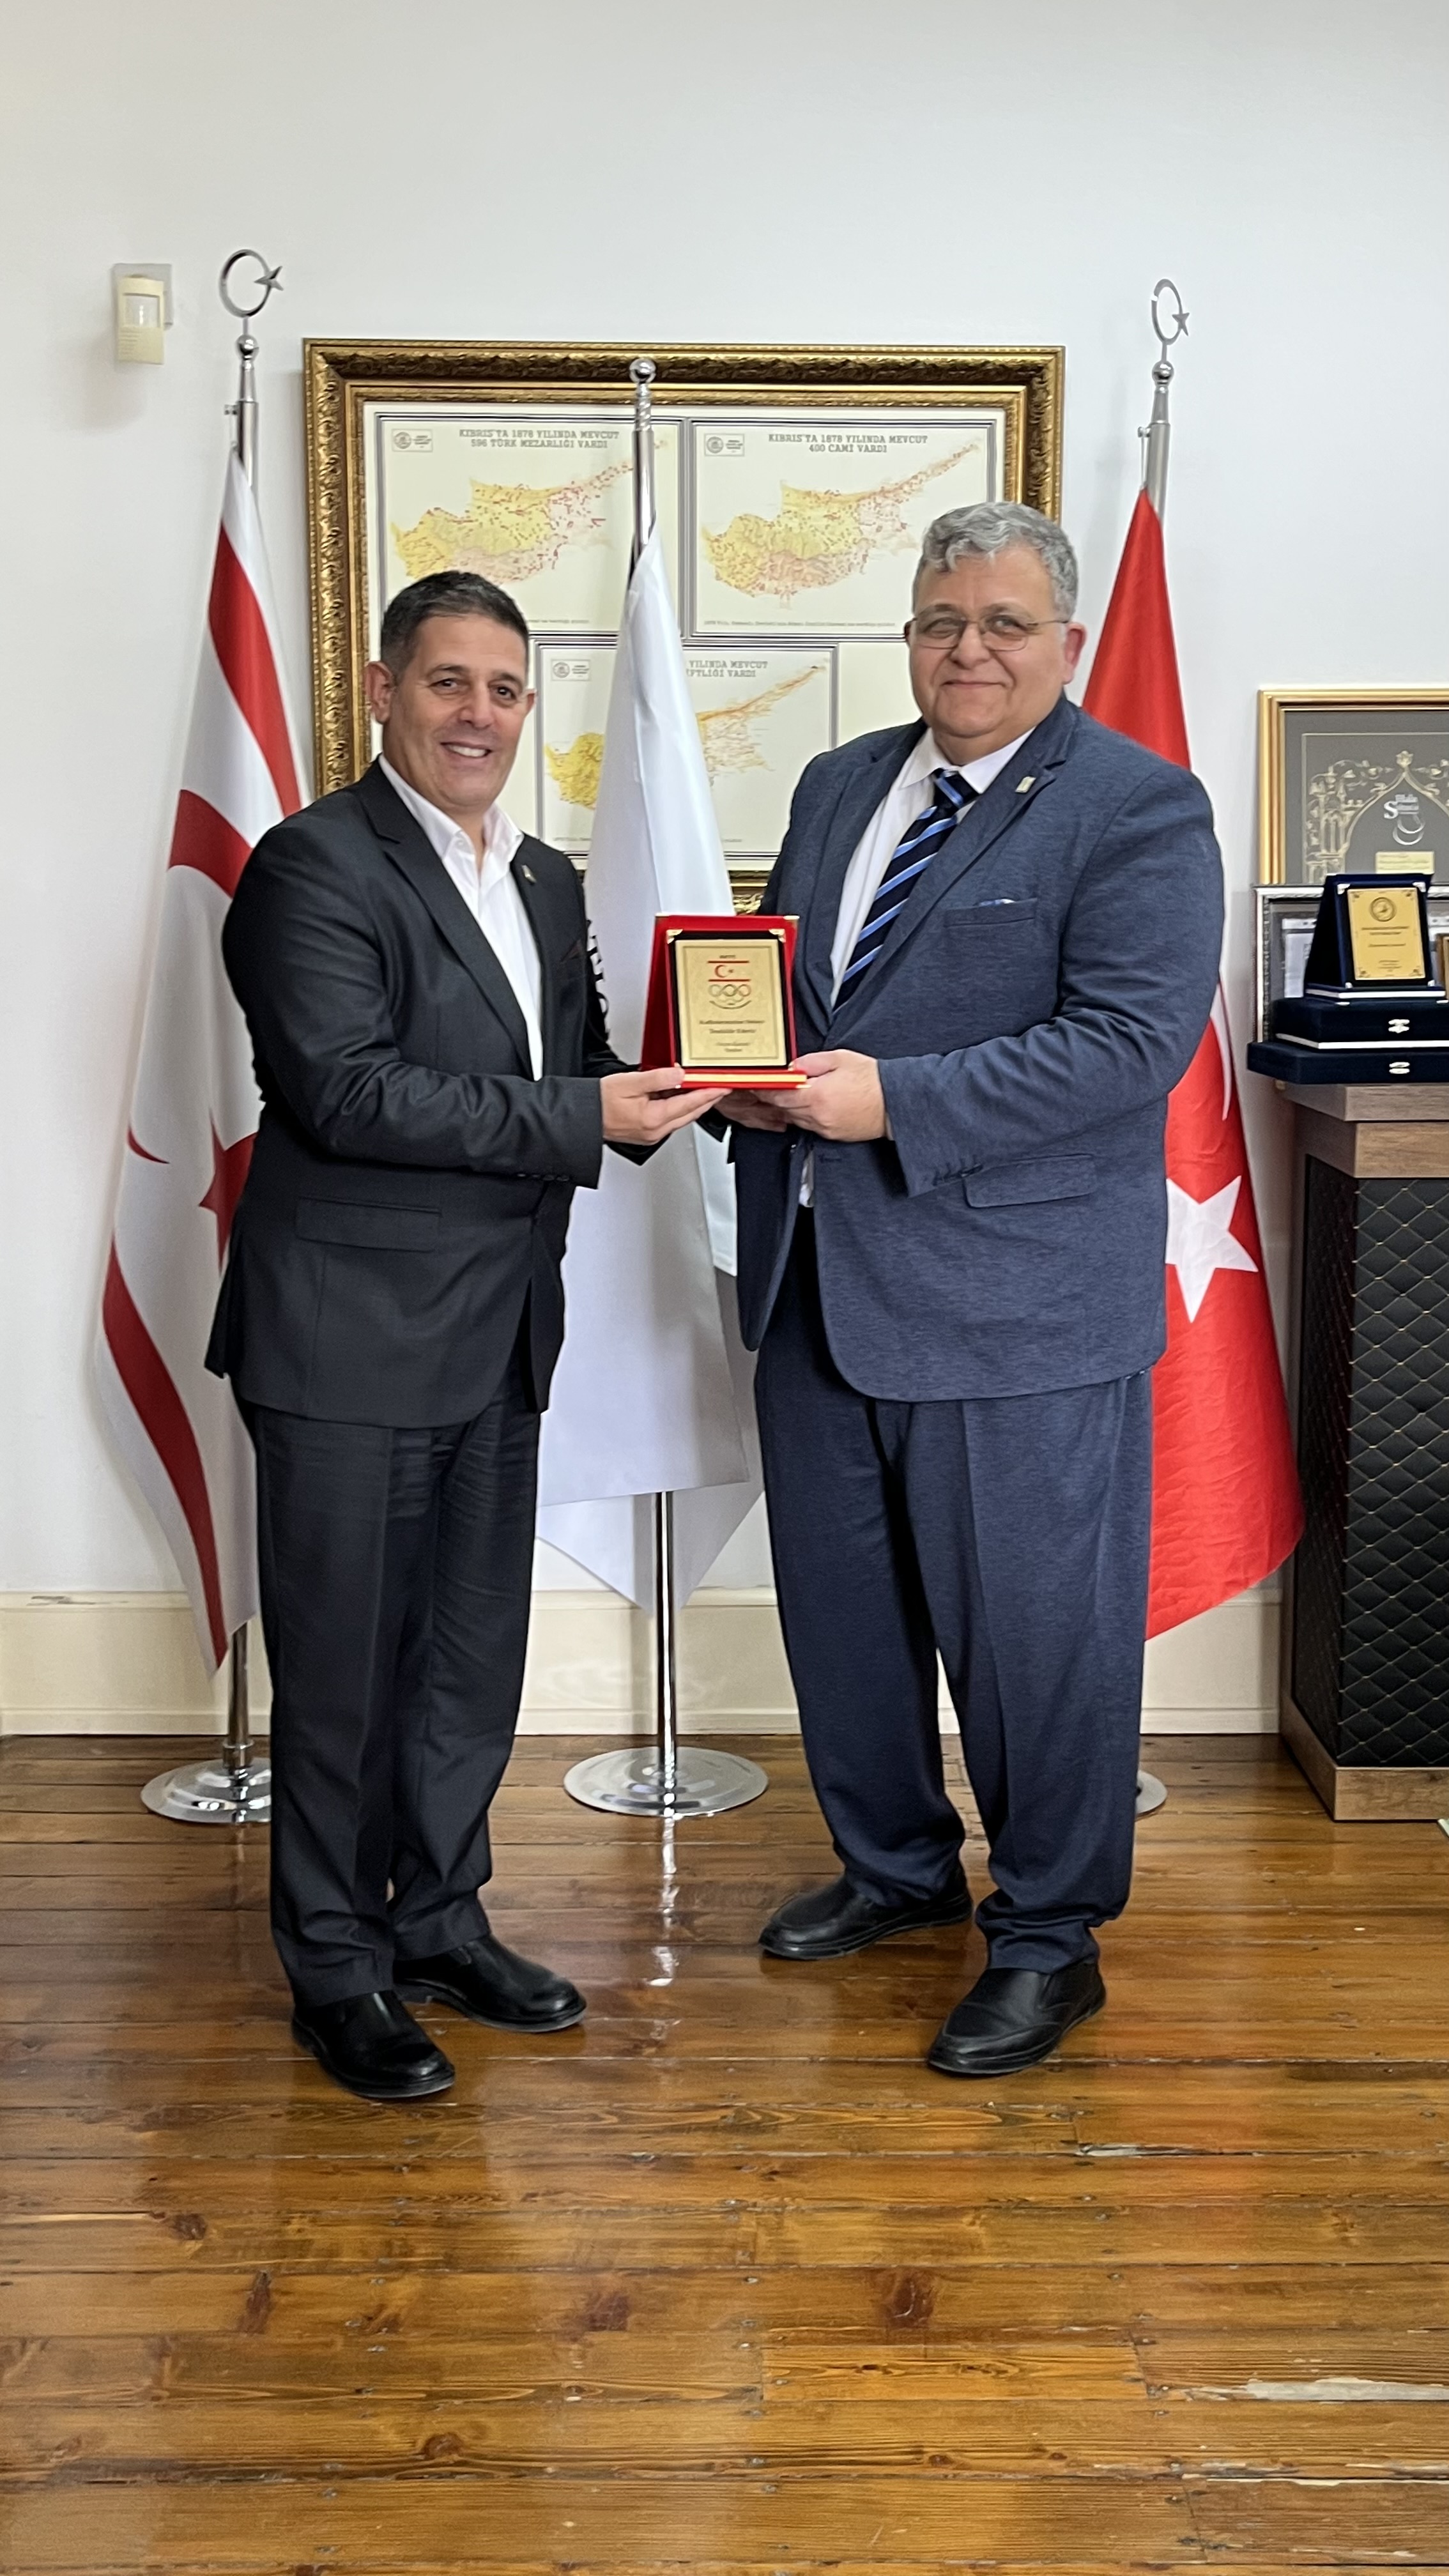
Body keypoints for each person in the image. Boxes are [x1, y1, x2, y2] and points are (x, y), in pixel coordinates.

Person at [208, 571, 722, 2102]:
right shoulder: (312, 866)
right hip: (346, 1341)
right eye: (448, 682)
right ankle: (335, 1967)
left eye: (504, 689)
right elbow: (347, 1090)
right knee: (346, 1677)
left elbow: (579, 1064)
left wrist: (720, 1083)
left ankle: (437, 1923)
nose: (478, 714)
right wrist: (587, 1111)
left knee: (466, 1663)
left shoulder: (547, 878)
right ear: (384, 692)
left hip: (500, 1333)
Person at [724, 502, 1223, 2076]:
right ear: (911, 633)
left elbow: (1129, 1045)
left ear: (1065, 641)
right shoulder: (838, 782)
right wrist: (737, 1077)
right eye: (944, 621)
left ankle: (1051, 1937)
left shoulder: (1139, 806)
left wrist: (896, 1102)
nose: (971, 651)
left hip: (1018, 1310)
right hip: (814, 1277)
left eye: (1006, 624)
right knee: (844, 1622)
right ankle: (896, 1872)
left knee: (1035, 1643)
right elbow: (791, 986)